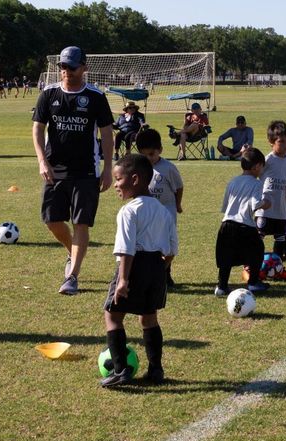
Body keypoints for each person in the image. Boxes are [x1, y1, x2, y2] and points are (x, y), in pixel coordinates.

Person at [32, 45, 114, 295]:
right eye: (63, 67)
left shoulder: (95, 97)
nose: (66, 71)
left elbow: (107, 134)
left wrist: (108, 167)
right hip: (54, 169)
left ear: (84, 68)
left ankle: (73, 276)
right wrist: (41, 161)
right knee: (52, 220)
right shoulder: (49, 94)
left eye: (72, 66)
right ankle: (72, 251)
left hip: (86, 171)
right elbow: (38, 129)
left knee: (81, 223)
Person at [100, 154, 178, 387]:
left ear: (135, 179)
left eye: (118, 179)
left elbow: (126, 248)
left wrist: (123, 279)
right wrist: (160, 269)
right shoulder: (164, 211)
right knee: (149, 317)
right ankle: (156, 370)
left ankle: (120, 369)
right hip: (157, 265)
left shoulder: (128, 211)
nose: (115, 185)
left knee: (112, 316)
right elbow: (173, 247)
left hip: (133, 266)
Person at [215, 147, 271, 297]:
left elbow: (226, 205)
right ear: (257, 166)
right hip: (245, 224)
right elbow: (256, 204)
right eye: (262, 167)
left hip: (226, 224)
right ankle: (253, 283)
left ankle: (221, 287)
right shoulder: (256, 183)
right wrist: (266, 203)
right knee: (257, 251)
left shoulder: (233, 181)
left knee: (226, 257)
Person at [136, 128, 184, 287]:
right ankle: (151, 273)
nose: (148, 158)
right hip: (148, 214)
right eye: (144, 155)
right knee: (151, 244)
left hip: (166, 212)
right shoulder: (139, 167)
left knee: (167, 245)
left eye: (151, 154)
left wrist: (177, 204)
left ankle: (166, 274)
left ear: (160, 150)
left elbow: (179, 187)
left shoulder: (168, 167)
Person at [255, 120, 286, 260]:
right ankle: (253, 264)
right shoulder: (267, 160)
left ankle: (277, 264)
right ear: (271, 142)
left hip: (281, 209)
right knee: (259, 237)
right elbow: (256, 177)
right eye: (281, 141)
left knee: (280, 239)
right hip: (265, 209)